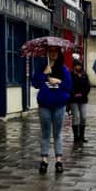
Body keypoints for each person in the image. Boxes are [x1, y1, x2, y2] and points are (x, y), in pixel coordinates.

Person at [31, 46, 72, 174]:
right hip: (45, 104)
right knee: (45, 133)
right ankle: (44, 160)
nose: (53, 54)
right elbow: (35, 83)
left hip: (59, 104)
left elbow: (69, 86)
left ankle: (58, 161)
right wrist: (44, 74)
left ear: (59, 54)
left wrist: (58, 81)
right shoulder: (42, 67)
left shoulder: (63, 69)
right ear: (47, 54)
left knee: (57, 133)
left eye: (56, 52)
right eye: (51, 52)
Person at [68, 59, 91, 143]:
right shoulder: (71, 75)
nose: (78, 67)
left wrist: (82, 94)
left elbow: (88, 86)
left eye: (80, 65)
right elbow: (69, 86)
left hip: (83, 99)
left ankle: (82, 136)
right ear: (74, 66)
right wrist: (74, 94)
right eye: (77, 65)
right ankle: (76, 137)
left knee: (83, 117)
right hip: (73, 99)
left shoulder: (85, 75)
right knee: (76, 117)